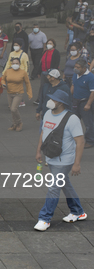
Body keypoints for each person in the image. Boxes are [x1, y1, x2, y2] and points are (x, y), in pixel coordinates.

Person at [34, 90, 86, 231]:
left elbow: (80, 142)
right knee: (65, 184)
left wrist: (76, 163)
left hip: (64, 160)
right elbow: (43, 133)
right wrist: (39, 151)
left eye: (54, 100)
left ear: (61, 103)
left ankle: (45, 218)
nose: (50, 101)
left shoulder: (72, 119)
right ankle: (78, 211)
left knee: (53, 188)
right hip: (51, 157)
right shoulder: (48, 114)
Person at [1, 57, 32, 132]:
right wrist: (3, 84)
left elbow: (27, 83)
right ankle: (14, 124)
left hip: (18, 93)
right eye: (13, 63)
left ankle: (19, 122)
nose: (15, 65)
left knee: (13, 108)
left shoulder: (23, 72)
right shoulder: (8, 71)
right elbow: (3, 79)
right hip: (9, 93)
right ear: (11, 64)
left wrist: (29, 93)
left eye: (17, 63)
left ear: (20, 64)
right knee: (12, 110)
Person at [71, 59, 94, 148]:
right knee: (73, 121)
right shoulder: (75, 75)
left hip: (85, 102)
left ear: (84, 68)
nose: (75, 69)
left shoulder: (90, 77)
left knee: (88, 123)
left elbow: (93, 92)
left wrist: (88, 104)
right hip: (75, 101)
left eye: (78, 67)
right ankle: (74, 139)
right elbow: (73, 86)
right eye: (75, 67)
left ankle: (90, 140)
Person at [35, 39, 61, 105]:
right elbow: (42, 62)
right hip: (44, 72)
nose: (49, 45)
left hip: (51, 73)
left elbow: (56, 63)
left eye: (50, 43)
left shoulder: (56, 52)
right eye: (48, 43)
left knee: (52, 85)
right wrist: (39, 72)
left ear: (53, 45)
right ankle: (40, 99)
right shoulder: (45, 52)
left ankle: (52, 99)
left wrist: (53, 73)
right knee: (42, 86)